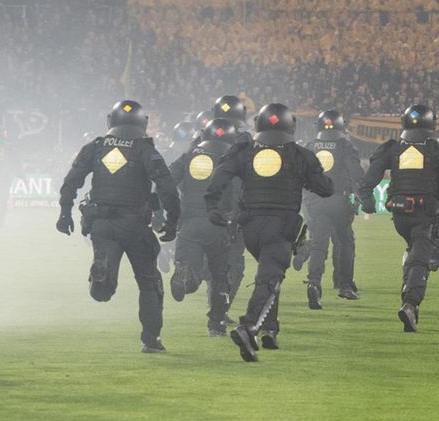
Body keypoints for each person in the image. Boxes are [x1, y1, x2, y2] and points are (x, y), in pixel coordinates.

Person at [205, 103, 333, 361]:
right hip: (281, 225)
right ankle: (249, 327)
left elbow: (219, 178)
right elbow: (326, 188)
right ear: (291, 125)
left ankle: (270, 330)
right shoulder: (299, 154)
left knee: (268, 274)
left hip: (250, 226)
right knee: (270, 279)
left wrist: (212, 205)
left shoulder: (243, 150)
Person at [57, 100, 180, 353]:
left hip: (101, 225)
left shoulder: (96, 146)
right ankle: (150, 339)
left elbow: (71, 181)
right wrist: (172, 220)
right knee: (149, 282)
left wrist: (65, 213)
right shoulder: (144, 149)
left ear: (110, 121)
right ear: (142, 123)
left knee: (103, 292)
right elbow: (167, 187)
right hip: (135, 226)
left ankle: (103, 270)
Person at [357, 104, 439, 332]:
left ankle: (409, 293)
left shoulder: (392, 148)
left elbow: (371, 176)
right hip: (425, 212)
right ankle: (410, 303)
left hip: (399, 213)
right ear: (432, 125)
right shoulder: (435, 150)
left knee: (415, 251)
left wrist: (367, 200)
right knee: (421, 257)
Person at [168, 118, 242, 335]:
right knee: (220, 277)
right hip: (218, 226)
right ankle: (216, 324)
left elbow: (169, 180)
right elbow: (240, 194)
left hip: (190, 222)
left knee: (189, 266)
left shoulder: (191, 155)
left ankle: (184, 275)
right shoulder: (233, 159)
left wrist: (169, 212)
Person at [297, 109, 362, 307]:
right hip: (339, 201)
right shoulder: (345, 145)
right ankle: (345, 286)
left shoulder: (311, 146)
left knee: (319, 244)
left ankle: (314, 283)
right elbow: (356, 173)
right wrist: (359, 194)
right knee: (345, 242)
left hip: (316, 201)